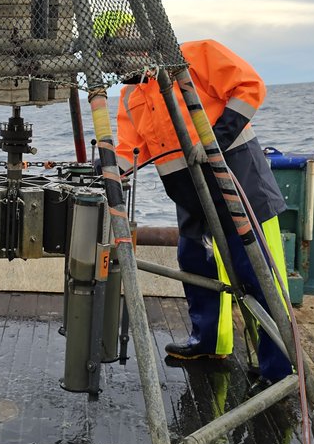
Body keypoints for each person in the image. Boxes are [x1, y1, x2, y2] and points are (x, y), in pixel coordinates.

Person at [113, 36, 293, 382]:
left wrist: (213, 142)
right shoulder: (130, 95)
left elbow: (249, 87)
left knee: (258, 275)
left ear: (138, 44)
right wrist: (105, 170)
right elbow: (129, 149)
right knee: (194, 263)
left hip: (238, 182)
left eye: (118, 55)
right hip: (190, 196)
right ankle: (209, 341)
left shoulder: (196, 55)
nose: (116, 66)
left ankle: (279, 369)